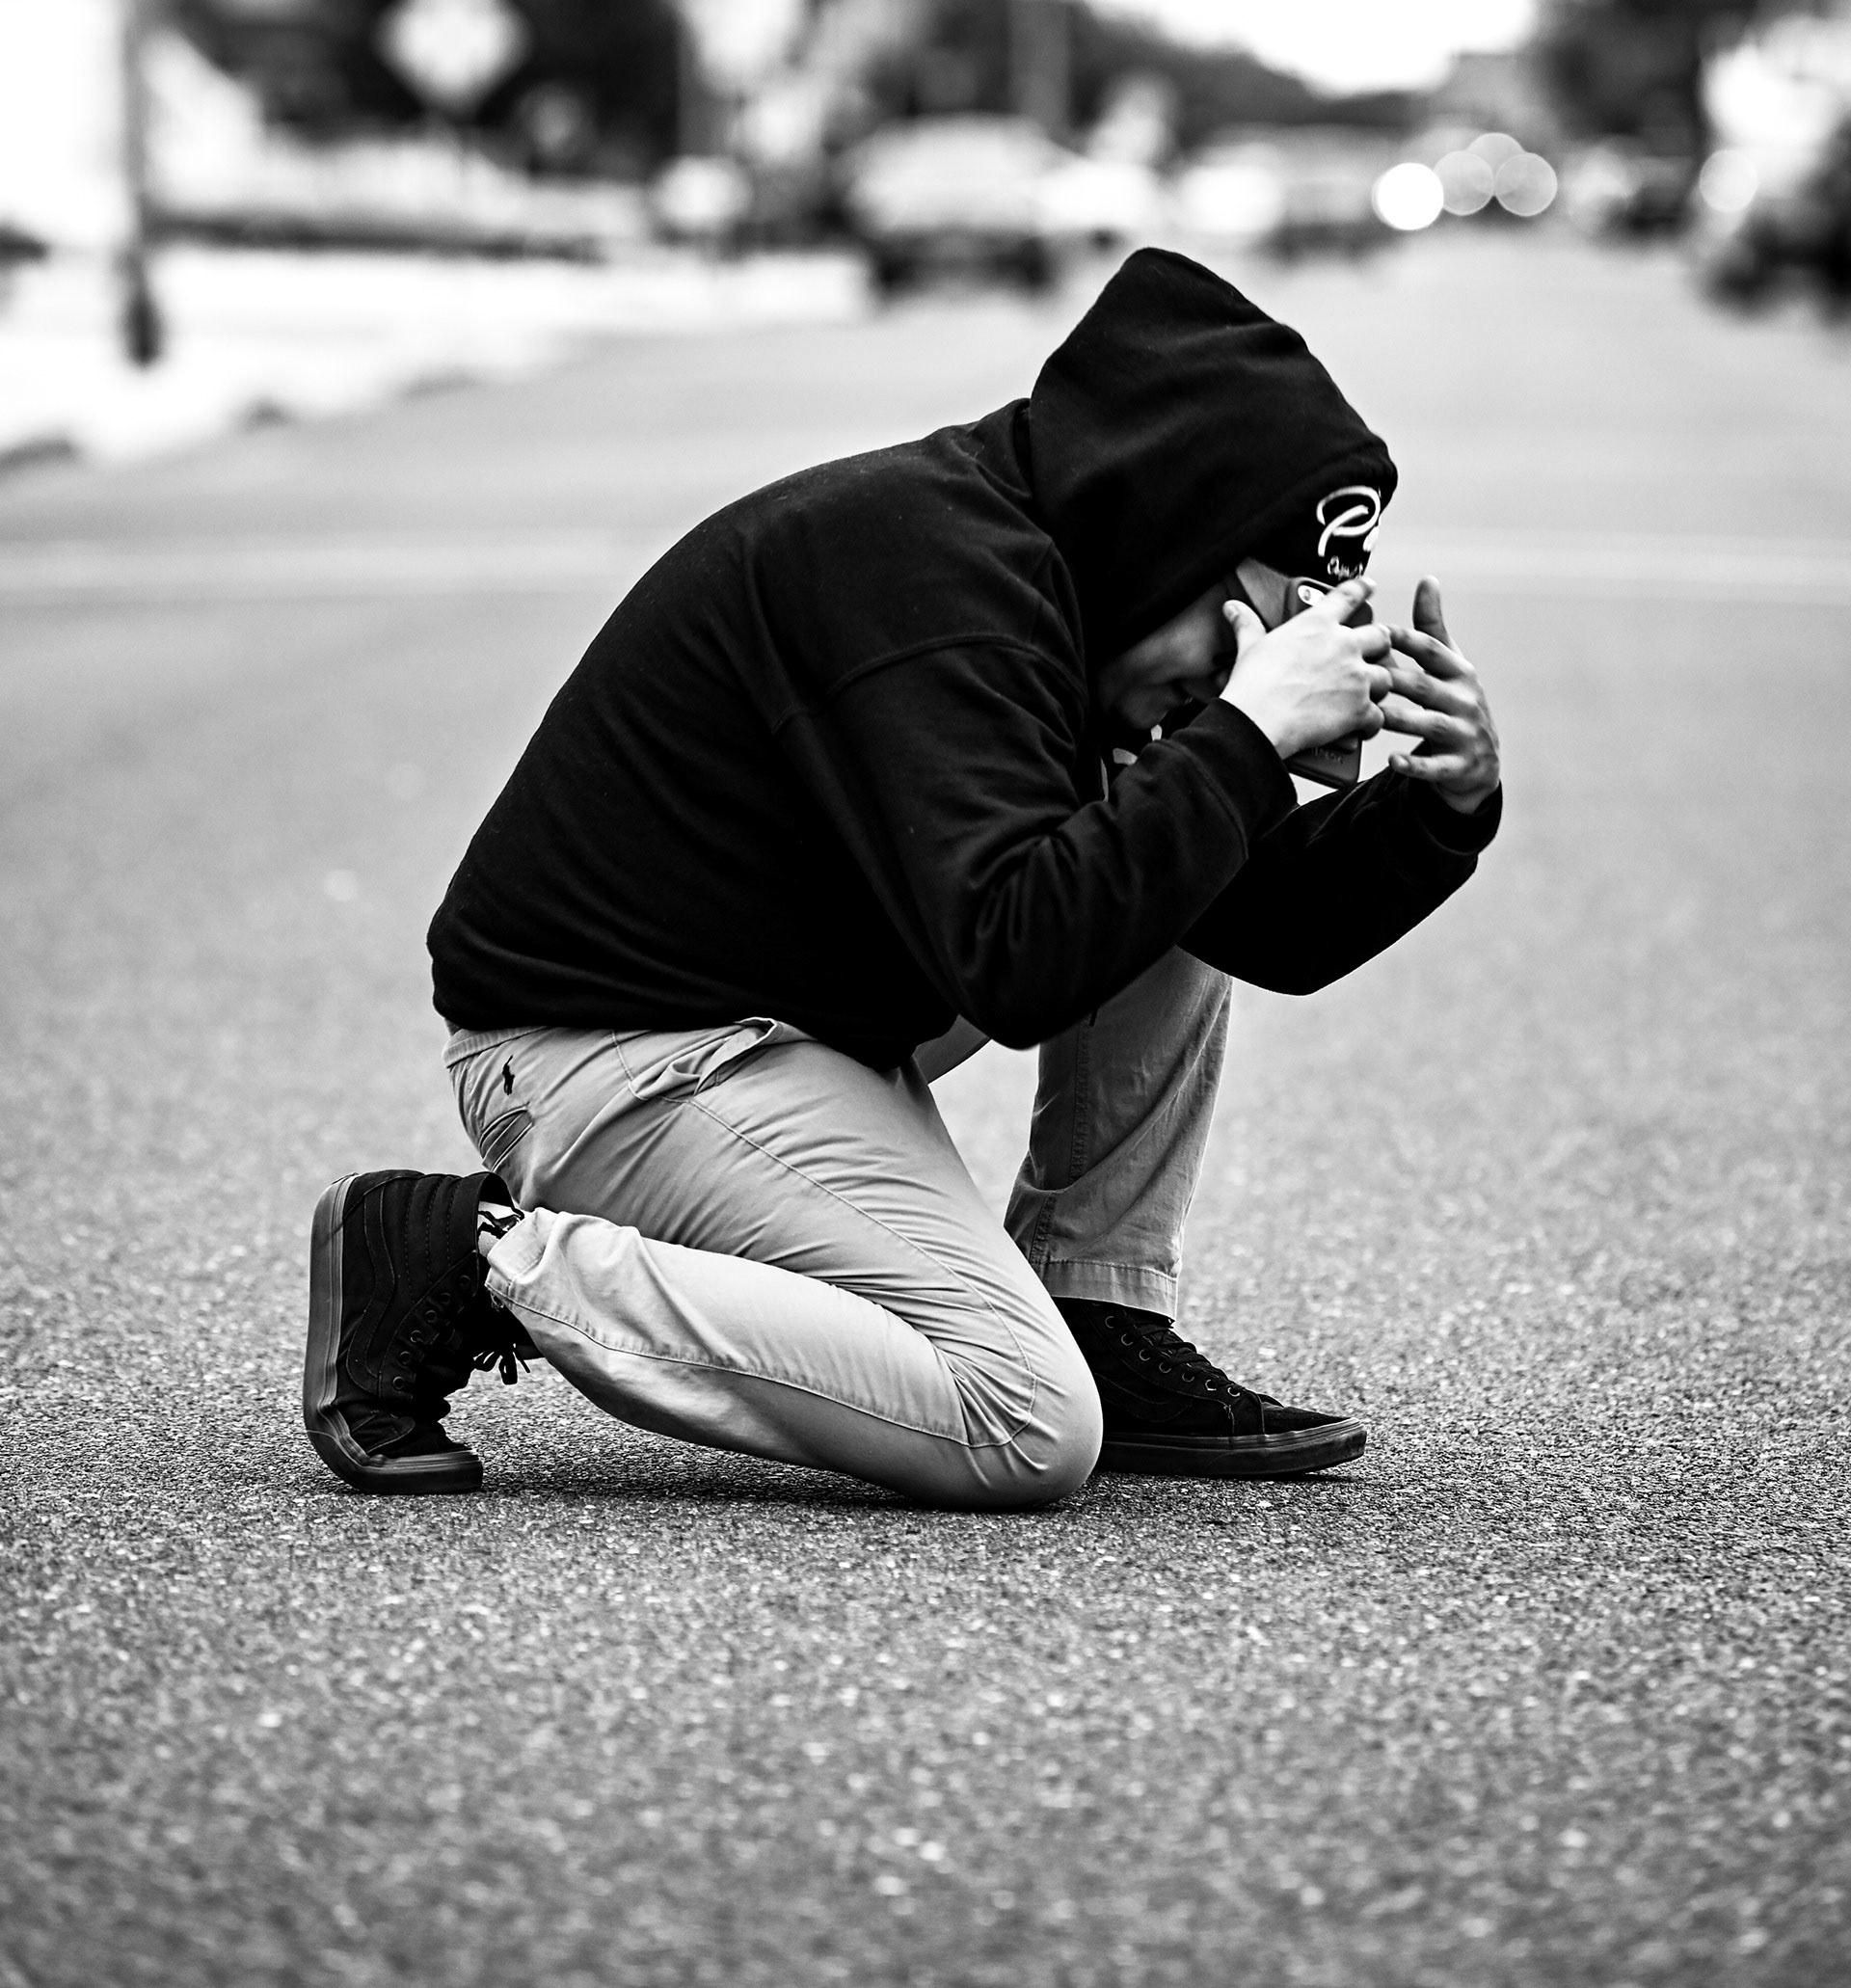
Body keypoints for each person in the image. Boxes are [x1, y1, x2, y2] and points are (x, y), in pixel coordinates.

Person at [303, 249, 1501, 1505]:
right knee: (1023, 1416)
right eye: (1242, 626)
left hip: (788, 1026)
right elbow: (1022, 960)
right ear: (1166, 528)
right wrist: (1241, 736)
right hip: (616, 1052)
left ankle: (1100, 1306)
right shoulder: (932, 581)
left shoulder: (1071, 591)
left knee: (1175, 837)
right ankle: (474, 1255)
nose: (1238, 668)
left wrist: (1441, 802)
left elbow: (1261, 925)